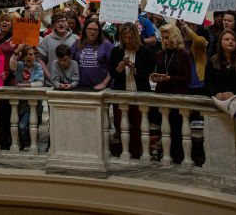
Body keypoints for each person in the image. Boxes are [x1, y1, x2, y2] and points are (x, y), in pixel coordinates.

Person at [109, 23, 155, 159]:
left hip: (138, 92)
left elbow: (149, 72)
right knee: (122, 126)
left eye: (130, 37)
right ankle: (123, 152)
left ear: (136, 37)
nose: (127, 41)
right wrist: (118, 70)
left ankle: (136, 153)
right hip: (121, 92)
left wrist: (135, 71)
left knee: (138, 126)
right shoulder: (116, 51)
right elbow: (112, 72)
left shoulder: (145, 52)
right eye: (125, 38)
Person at [149, 24, 191, 162]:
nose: (165, 41)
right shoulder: (160, 54)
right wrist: (155, 77)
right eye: (163, 38)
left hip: (177, 96)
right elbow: (160, 70)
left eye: (168, 38)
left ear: (175, 37)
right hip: (162, 95)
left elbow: (187, 79)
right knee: (164, 129)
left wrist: (170, 78)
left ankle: (178, 157)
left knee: (176, 131)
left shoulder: (183, 55)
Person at [73, 19, 112, 90]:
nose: (93, 32)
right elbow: (71, 64)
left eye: (96, 30)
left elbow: (113, 67)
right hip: (79, 87)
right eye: (90, 29)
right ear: (85, 29)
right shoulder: (77, 44)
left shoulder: (106, 45)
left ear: (99, 31)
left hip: (101, 88)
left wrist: (104, 83)